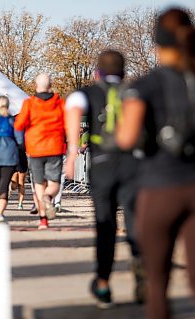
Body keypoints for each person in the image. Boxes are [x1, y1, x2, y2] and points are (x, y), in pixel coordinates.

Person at [116, 8, 195, 319]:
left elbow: (126, 138)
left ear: (156, 42)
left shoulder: (145, 86)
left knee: (157, 283)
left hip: (159, 189)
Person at [65, 50, 145, 308]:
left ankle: (103, 284)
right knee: (134, 219)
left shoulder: (88, 92)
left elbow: (73, 106)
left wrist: (72, 150)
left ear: (97, 72)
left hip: (102, 163)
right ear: (123, 73)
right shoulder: (134, 91)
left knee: (105, 223)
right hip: (133, 162)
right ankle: (141, 265)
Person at [14, 73, 66, 230]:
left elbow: (18, 125)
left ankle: (43, 220)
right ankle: (48, 197)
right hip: (55, 147)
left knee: (38, 184)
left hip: (35, 149)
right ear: (51, 85)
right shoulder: (60, 103)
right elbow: (69, 125)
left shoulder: (29, 103)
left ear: (36, 86)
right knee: (54, 184)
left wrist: (23, 141)